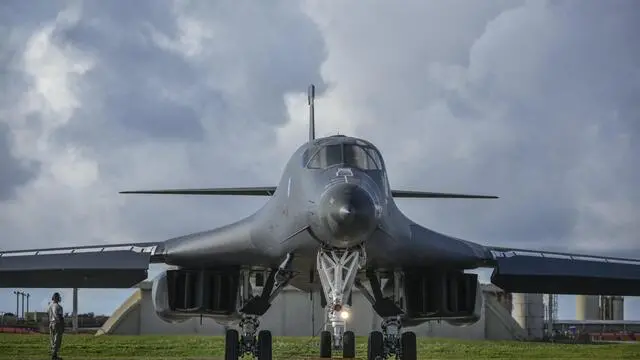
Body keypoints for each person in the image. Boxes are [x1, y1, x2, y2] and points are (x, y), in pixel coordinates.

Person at [48, 292, 65, 360]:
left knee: (52, 339)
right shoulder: (59, 307)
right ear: (58, 298)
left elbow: (48, 314)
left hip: (51, 323)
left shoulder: (49, 306)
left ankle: (54, 354)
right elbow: (60, 317)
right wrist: (63, 325)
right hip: (57, 323)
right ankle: (54, 356)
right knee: (57, 340)